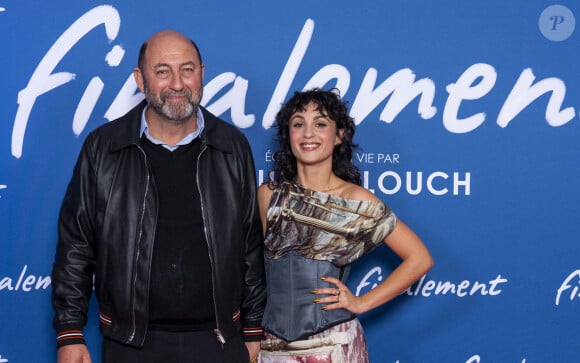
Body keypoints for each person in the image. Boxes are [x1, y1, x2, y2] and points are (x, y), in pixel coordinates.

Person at [51, 30, 265, 363]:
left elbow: (249, 243)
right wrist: (70, 332)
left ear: (202, 73)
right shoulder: (104, 147)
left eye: (188, 69)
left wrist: (252, 327)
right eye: (163, 71)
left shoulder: (232, 146)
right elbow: (76, 245)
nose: (178, 83)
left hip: (218, 341)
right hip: (131, 344)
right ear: (140, 79)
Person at [257, 88, 434, 362]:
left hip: (334, 344)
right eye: (298, 124)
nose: (308, 134)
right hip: (272, 349)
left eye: (320, 124)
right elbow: (256, 273)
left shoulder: (356, 200)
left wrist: (361, 302)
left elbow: (420, 259)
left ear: (339, 135)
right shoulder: (268, 194)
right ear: (287, 135)